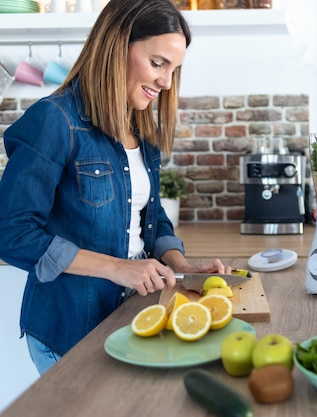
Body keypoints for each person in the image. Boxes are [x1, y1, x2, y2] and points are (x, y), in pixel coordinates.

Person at [0, 0, 231, 375]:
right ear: (116, 46)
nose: (166, 82)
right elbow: (12, 233)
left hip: (132, 316)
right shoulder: (54, 120)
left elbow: (151, 219)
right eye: (158, 63)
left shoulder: (141, 130)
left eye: (174, 69)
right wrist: (117, 268)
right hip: (71, 329)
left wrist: (183, 266)